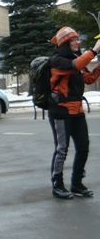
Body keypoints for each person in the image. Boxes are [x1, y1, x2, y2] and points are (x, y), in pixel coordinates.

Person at [47, 26, 100, 199]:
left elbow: (88, 78)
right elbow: (76, 66)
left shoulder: (77, 58)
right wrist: (95, 49)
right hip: (61, 111)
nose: (77, 42)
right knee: (62, 149)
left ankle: (76, 183)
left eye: (77, 39)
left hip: (77, 110)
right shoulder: (58, 61)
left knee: (83, 147)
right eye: (73, 40)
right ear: (64, 43)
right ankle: (58, 184)